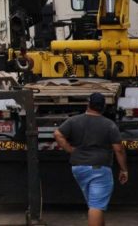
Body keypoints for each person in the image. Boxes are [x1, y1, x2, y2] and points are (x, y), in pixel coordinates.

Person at [53, 92, 128, 226]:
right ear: (103, 107)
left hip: (79, 169)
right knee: (96, 207)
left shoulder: (74, 121)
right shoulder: (109, 125)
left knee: (95, 204)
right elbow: (118, 149)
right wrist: (124, 170)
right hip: (99, 169)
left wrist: (69, 149)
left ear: (88, 104)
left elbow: (58, 134)